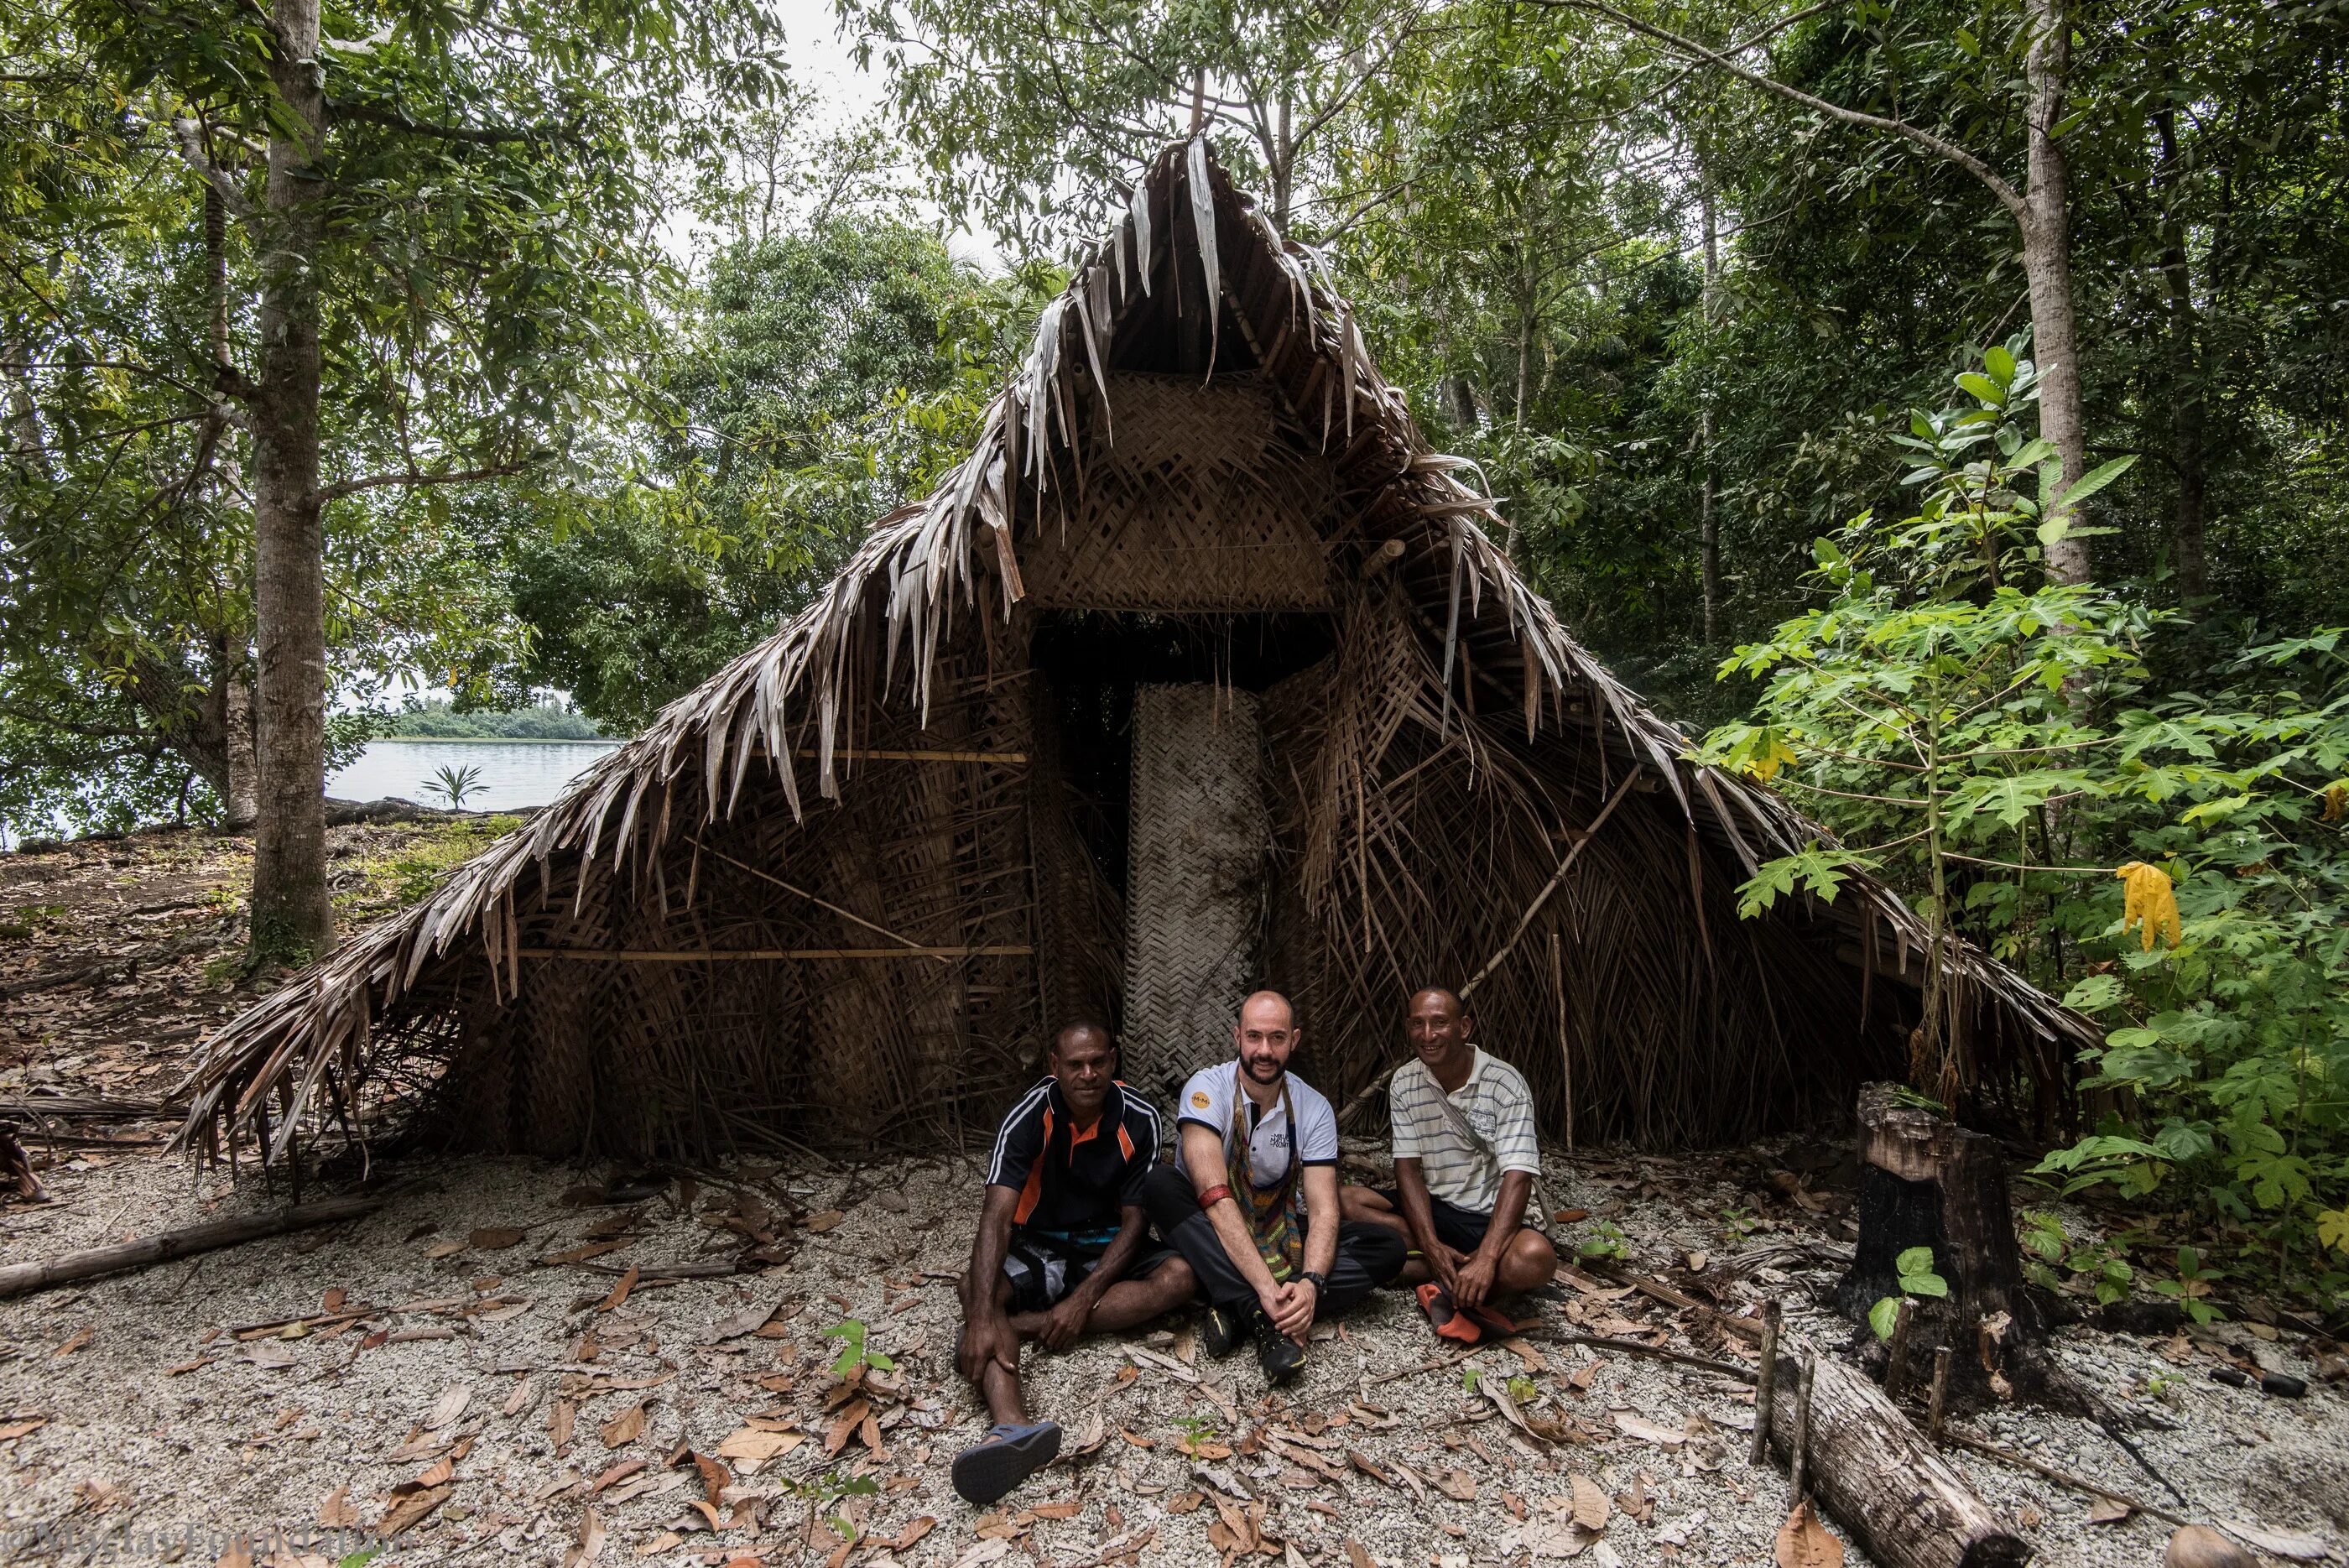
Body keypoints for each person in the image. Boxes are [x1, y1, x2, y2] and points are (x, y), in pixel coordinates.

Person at [953, 1022, 1196, 1504]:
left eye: (1097, 1062)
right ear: (1054, 1067)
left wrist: (1082, 1302)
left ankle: (1023, 1325)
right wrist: (981, 1316)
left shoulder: (1140, 1117)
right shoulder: (1028, 1116)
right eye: (1074, 1065)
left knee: (1181, 1276)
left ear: (1113, 1060)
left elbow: (1135, 1224)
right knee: (976, 1290)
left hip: (1107, 1246)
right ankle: (1012, 1427)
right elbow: (997, 1218)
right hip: (1043, 1242)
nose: (1087, 1074)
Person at [1143, 991, 1406, 1385]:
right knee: (1160, 1185)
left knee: (1388, 1248)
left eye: (1277, 1038)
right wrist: (1267, 1290)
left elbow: (1323, 1210)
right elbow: (1214, 1199)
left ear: (1294, 1040)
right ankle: (1259, 1312)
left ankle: (1235, 1301)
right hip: (1213, 1226)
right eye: (1254, 1037)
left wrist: (1312, 1283)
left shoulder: (1313, 1108)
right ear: (1237, 1037)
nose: (1264, 1050)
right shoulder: (1205, 1090)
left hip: (1275, 1228)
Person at [1341, 987, 1558, 1342]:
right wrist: (1430, 1243)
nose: (1428, 1035)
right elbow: (1407, 1168)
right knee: (1348, 1201)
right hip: (1437, 1209)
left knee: (1535, 1258)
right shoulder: (1405, 1081)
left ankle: (1452, 1278)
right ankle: (1441, 1265)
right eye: (1417, 1024)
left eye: (1440, 1023)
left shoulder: (1504, 1083)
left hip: (1488, 1216)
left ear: (1464, 1027)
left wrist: (1488, 1257)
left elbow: (1518, 1176)